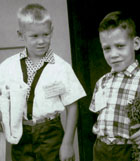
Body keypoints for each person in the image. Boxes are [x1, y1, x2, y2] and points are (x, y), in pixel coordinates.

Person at [0, 3, 86, 161]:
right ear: (21, 35)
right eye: (34, 36)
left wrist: (67, 144)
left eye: (45, 35)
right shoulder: (7, 66)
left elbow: (72, 107)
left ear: (51, 31)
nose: (41, 41)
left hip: (50, 134)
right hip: (21, 135)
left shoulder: (61, 67)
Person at [89, 11, 140, 161]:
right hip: (101, 148)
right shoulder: (102, 82)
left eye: (120, 46)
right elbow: (97, 115)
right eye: (107, 48)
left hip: (130, 150)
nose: (113, 54)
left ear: (135, 44)